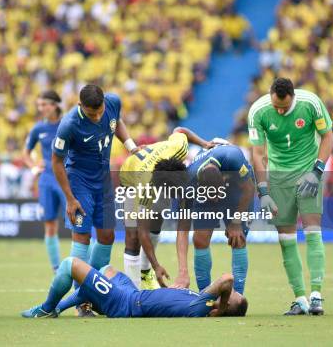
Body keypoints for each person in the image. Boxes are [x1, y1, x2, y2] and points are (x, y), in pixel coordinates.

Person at [248, 77, 333, 315]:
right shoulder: (258, 111)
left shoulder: (311, 103)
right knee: (285, 237)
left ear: (293, 97)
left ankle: (316, 296)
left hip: (307, 173)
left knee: (312, 229)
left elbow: (327, 135)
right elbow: (257, 153)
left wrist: (316, 172)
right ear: (271, 95)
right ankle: (300, 299)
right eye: (276, 106)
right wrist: (263, 190)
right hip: (278, 178)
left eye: (284, 107)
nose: (280, 110)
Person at [52, 84, 138, 316]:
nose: (98, 116)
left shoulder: (112, 102)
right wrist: (70, 199)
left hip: (104, 180)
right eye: (92, 114)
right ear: (81, 106)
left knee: (108, 235)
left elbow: (116, 121)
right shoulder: (69, 124)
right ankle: (83, 301)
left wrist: (130, 146)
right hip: (79, 181)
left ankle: (97, 290)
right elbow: (57, 162)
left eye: (100, 111)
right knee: (82, 236)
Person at [119, 127, 215, 290]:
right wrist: (158, 265)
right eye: (174, 193)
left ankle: (145, 273)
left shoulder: (178, 148)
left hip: (155, 169)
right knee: (134, 235)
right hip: (130, 176)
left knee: (156, 223)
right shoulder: (145, 189)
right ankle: (131, 292)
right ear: (162, 187)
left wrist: (203, 143)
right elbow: (143, 232)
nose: (177, 197)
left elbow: (180, 130)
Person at [21, 257, 248, 318]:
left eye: (229, 297)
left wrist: (222, 302)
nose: (229, 292)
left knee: (71, 265)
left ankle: (47, 309)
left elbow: (227, 278)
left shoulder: (202, 307)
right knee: (108, 269)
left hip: (124, 303)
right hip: (132, 294)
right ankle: (72, 303)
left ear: (224, 305)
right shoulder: (202, 301)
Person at [171, 144, 255, 295]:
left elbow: (249, 188)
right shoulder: (189, 182)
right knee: (200, 239)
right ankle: (205, 296)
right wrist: (182, 271)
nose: (216, 200)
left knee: (238, 237)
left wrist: (236, 223)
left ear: (223, 179)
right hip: (208, 187)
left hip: (237, 188)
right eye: (212, 196)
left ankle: (237, 296)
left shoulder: (233, 157)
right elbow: (182, 229)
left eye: (218, 194)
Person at [22, 90, 66, 273]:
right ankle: (57, 269)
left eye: (45, 104)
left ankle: (84, 266)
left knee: (78, 223)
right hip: (47, 179)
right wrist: (34, 167)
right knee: (50, 224)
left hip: (67, 179)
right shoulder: (38, 129)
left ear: (55, 104)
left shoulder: (67, 124)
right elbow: (25, 153)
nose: (42, 108)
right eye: (39, 105)